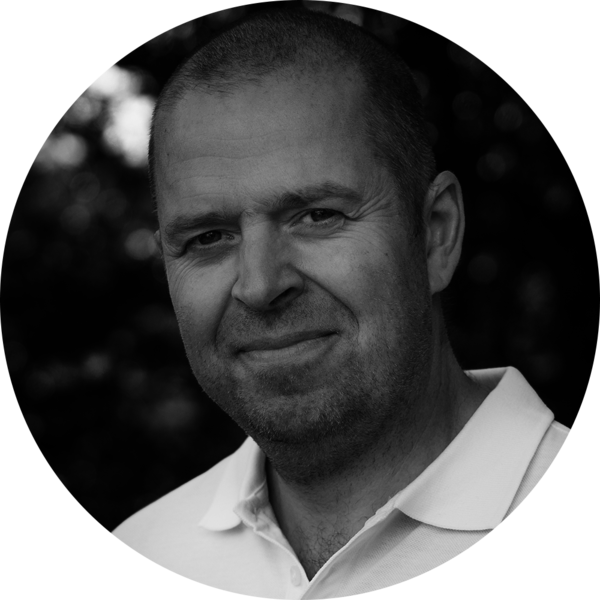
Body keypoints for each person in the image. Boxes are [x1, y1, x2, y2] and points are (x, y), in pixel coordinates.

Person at [111, 7, 570, 596]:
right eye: (208, 238)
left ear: (435, 233)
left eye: (317, 216)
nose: (259, 285)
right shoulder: (147, 547)